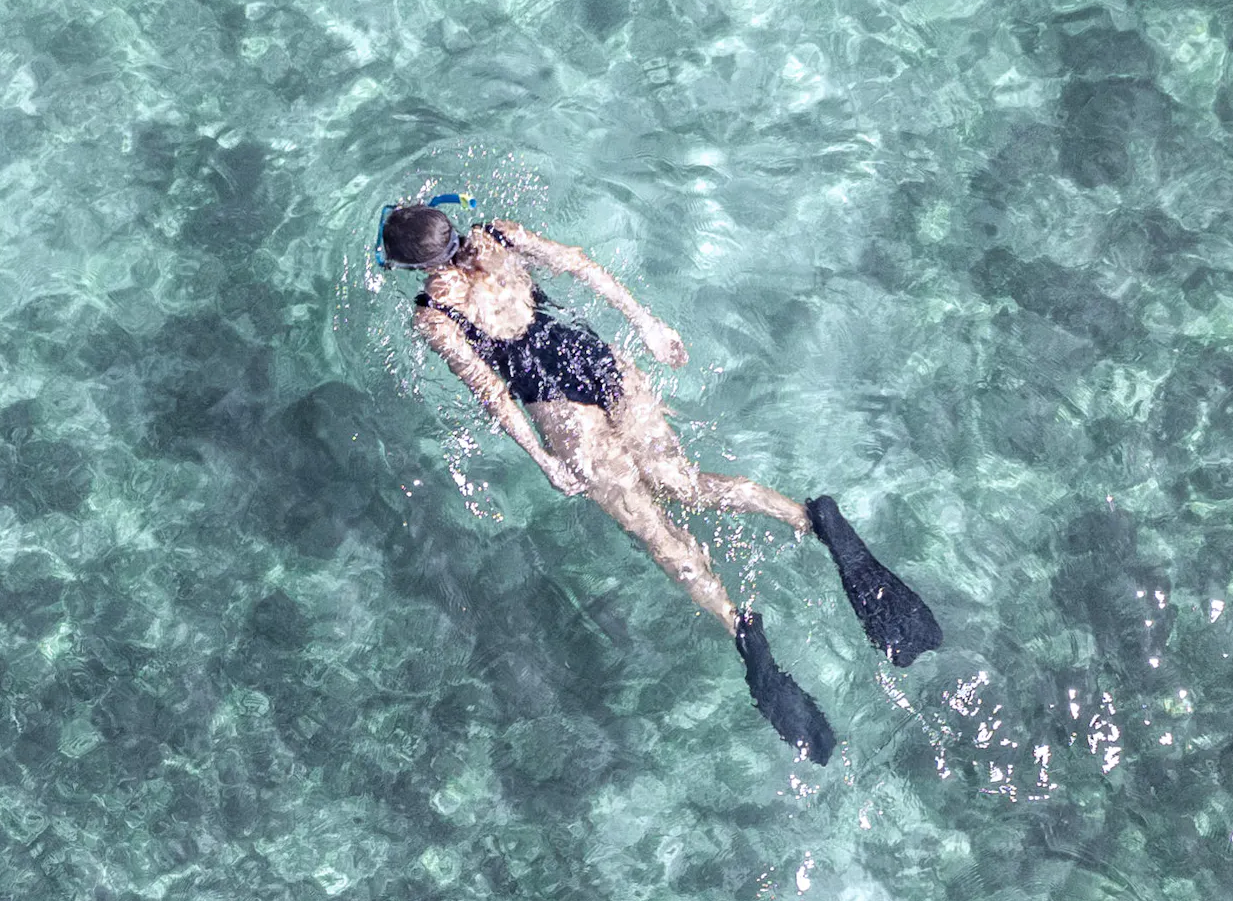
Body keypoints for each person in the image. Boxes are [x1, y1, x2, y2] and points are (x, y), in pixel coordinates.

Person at [374, 194, 942, 763]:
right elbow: (580, 265)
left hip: (560, 412)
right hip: (598, 362)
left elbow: (492, 391)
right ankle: (809, 520)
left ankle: (742, 634)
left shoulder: (432, 314)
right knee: (686, 484)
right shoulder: (498, 235)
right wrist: (647, 322)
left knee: (657, 533)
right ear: (447, 222)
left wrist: (544, 460)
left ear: (410, 266)